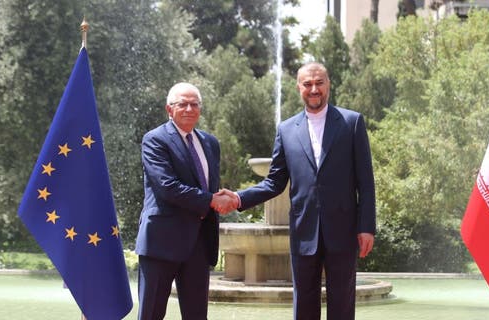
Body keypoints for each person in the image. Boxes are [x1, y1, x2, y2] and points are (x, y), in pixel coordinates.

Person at [226, 62, 376, 320]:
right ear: (299, 88)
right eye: (308, 84)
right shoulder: (286, 130)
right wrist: (239, 198)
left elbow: (366, 181)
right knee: (304, 306)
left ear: (328, 84)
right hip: (303, 231)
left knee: (342, 304)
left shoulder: (351, 123)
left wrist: (367, 227)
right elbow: (274, 182)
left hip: (343, 230)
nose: (314, 89)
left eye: (319, 83)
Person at [134, 82, 236, 320]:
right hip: (161, 241)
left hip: (199, 242)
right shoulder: (155, 140)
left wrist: (220, 198)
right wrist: (212, 200)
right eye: (183, 104)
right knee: (151, 314)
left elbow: (208, 186)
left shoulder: (210, 143)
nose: (189, 109)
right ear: (169, 109)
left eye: (194, 104)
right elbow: (167, 187)